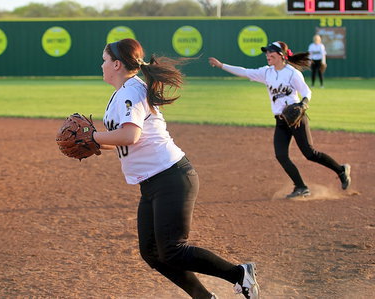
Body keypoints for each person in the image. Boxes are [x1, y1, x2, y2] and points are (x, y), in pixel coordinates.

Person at [92, 38, 260, 299]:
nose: (101, 65)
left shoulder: (130, 92)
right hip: (154, 182)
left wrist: (93, 137)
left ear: (116, 64)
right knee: (152, 252)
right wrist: (93, 144)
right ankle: (204, 297)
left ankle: (239, 274)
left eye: (104, 60)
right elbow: (122, 142)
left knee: (172, 250)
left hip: (171, 178)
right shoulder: (123, 92)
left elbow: (130, 136)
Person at [208, 41, 351, 198]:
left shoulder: (292, 73)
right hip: (281, 120)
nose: (267, 55)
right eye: (266, 53)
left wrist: (303, 104)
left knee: (310, 153)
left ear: (281, 56)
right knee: (281, 155)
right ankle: (301, 187)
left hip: (296, 119)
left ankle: (341, 170)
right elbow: (245, 72)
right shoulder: (266, 72)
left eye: (271, 53)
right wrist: (222, 65)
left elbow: (306, 92)